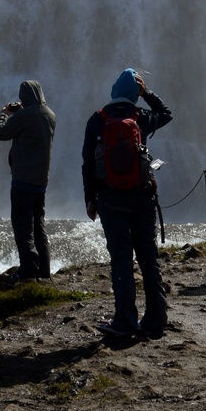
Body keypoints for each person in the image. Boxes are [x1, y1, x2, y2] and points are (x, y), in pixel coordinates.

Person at [81, 66, 173, 344]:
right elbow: (167, 114)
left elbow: (87, 163)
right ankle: (156, 322)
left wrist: (90, 198)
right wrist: (147, 95)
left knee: (121, 259)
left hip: (110, 199)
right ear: (135, 93)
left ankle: (124, 321)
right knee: (148, 258)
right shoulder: (141, 116)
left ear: (113, 90)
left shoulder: (97, 120)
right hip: (143, 198)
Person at [0, 79, 57, 280]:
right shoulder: (50, 115)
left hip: (23, 181)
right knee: (39, 226)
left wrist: (4, 114)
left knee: (23, 228)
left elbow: (1, 133)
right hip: (41, 181)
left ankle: (28, 269)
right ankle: (44, 271)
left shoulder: (24, 116)